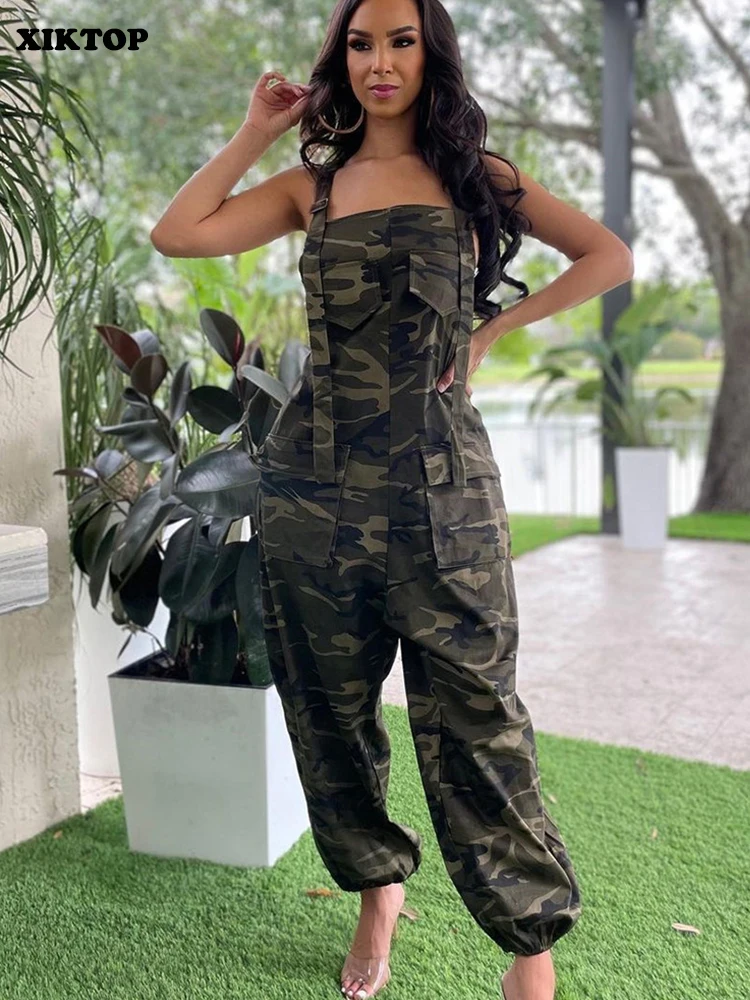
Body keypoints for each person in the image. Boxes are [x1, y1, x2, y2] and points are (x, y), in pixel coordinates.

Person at [150, 1, 634, 997]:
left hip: (445, 490)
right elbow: (178, 233)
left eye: (400, 41)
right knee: (330, 713)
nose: (380, 62)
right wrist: (258, 129)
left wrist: (494, 330)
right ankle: (379, 895)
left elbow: (607, 255)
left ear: (429, 54)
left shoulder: (477, 176)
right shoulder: (312, 188)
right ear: (343, 59)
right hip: (314, 490)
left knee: (479, 715)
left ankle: (530, 950)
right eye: (361, 43)